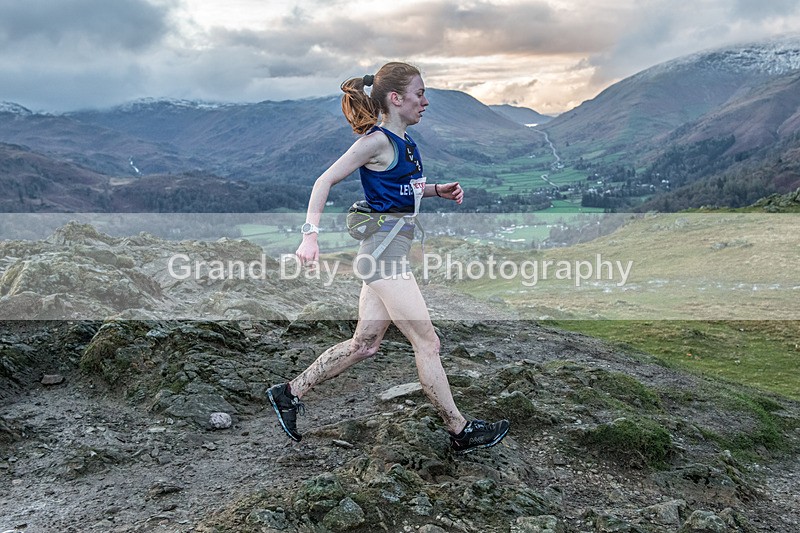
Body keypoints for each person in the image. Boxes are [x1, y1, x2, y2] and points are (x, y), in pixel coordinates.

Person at [267, 62, 509, 454]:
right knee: (428, 343)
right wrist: (309, 237)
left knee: (364, 344)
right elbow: (323, 180)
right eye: (419, 94)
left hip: (385, 254)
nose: (425, 101)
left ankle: (288, 392)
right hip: (382, 258)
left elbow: (399, 188)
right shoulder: (375, 141)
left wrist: (435, 191)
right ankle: (460, 430)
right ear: (396, 99)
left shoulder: (405, 141)